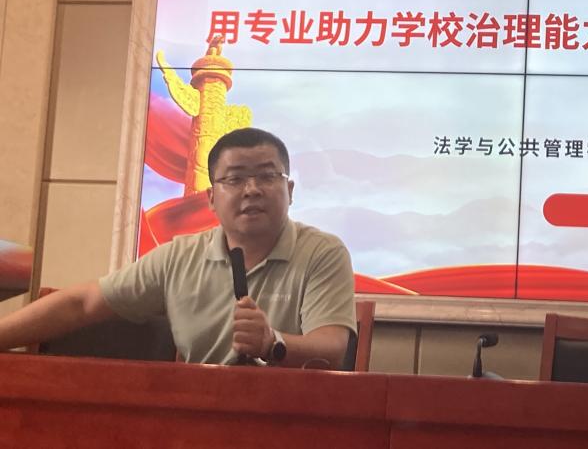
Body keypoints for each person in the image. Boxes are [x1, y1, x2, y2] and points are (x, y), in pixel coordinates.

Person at [0, 127, 356, 368]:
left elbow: (333, 347)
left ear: (289, 190)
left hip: (290, 418)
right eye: (235, 179)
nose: (252, 190)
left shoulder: (322, 252)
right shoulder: (180, 257)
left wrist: (271, 341)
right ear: (211, 198)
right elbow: (82, 303)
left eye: (267, 176)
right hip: (198, 416)